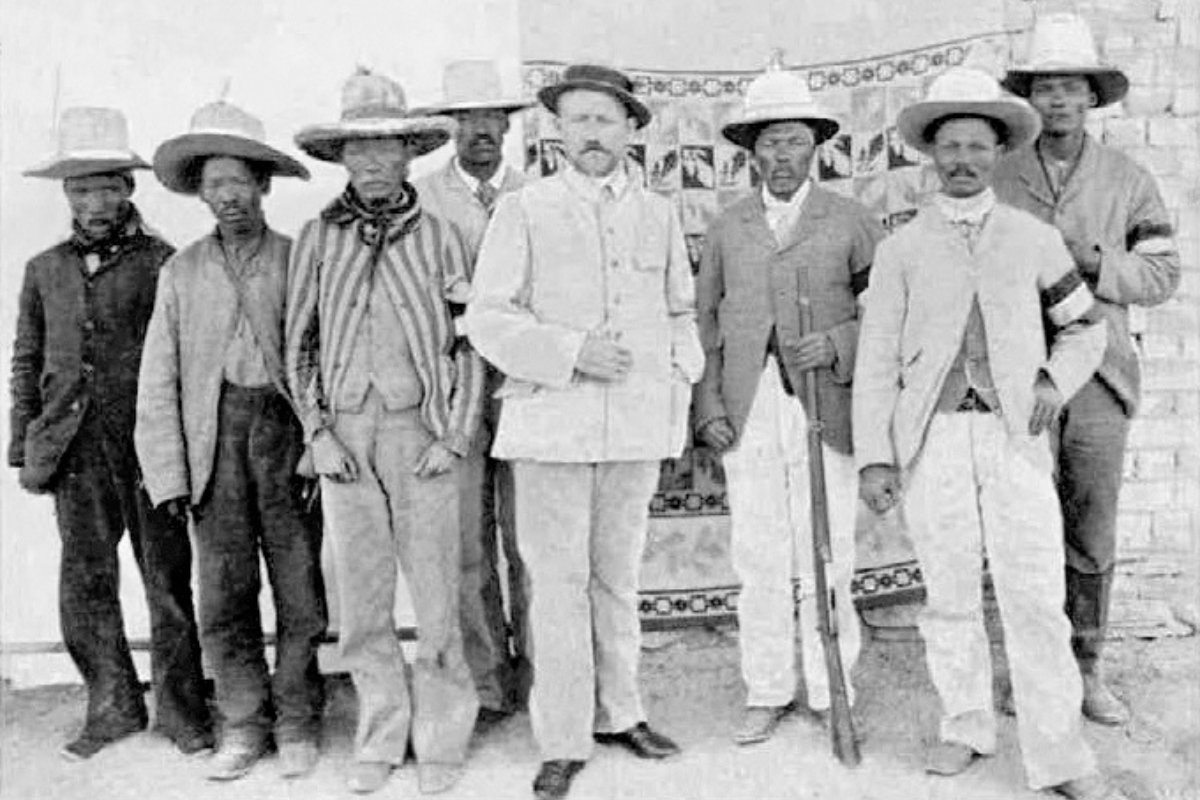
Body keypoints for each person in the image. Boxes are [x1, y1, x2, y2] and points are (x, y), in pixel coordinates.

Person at [854, 66, 1126, 800]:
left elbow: (1087, 333)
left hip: (1012, 440)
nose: (964, 160)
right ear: (931, 157)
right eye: (951, 147)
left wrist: (1049, 383)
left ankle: (1060, 756)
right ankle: (966, 725)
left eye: (978, 146)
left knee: (1034, 593)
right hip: (934, 440)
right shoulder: (901, 249)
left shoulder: (1033, 239)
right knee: (946, 593)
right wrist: (877, 457)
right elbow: (877, 361)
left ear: (997, 154)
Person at [464, 63, 705, 800]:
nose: (591, 135)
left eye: (604, 120)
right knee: (558, 586)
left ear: (632, 129)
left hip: (633, 428)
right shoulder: (527, 209)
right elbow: (488, 317)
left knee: (618, 578)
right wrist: (572, 352)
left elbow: (679, 310)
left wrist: (676, 392)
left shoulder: (658, 212)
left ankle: (621, 711)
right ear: (558, 132)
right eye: (576, 121)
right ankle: (563, 738)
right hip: (553, 428)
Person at [287, 68, 483, 796]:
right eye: (357, 152)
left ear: (409, 155)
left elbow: (469, 345)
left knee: (436, 596)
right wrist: (319, 433)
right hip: (345, 440)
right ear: (342, 159)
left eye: (386, 150)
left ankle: (441, 739)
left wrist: (453, 436)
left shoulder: (441, 237)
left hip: (419, 434)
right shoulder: (317, 238)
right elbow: (298, 343)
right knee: (361, 600)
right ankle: (380, 733)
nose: (371, 165)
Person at [995, 12, 1181, 725]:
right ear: (1031, 97)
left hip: (1100, 375)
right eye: (1046, 88)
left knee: (1091, 526)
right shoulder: (1003, 173)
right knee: (1023, 527)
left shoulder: (1128, 179)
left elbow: (1162, 274)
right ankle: (1026, 668)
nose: (1059, 101)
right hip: (1021, 376)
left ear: (1092, 96)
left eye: (1071, 88)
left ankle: (1087, 667)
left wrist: (1095, 260)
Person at [9, 107, 212, 761]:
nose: (94, 200)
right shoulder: (44, 269)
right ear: (66, 195)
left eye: (105, 185)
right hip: (73, 452)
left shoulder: (166, 263)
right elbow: (26, 358)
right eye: (80, 188)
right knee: (86, 581)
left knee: (166, 579)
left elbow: (189, 366)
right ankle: (112, 703)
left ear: (130, 188)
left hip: (148, 450)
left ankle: (182, 710)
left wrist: (180, 455)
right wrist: (23, 445)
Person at [135, 100, 326, 781]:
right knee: (224, 593)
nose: (228, 195)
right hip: (212, 445)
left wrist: (316, 443)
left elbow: (321, 358)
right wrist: (170, 474)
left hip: (284, 438)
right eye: (214, 184)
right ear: (200, 193)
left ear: (262, 185)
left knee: (301, 591)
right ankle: (244, 723)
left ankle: (300, 717)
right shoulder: (180, 273)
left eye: (239, 181)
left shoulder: (298, 259)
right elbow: (158, 378)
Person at [695, 55, 882, 746]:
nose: (782, 154)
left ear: (815, 145)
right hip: (750, 408)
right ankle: (767, 686)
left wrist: (836, 341)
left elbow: (887, 316)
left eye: (794, 140)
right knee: (759, 552)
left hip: (824, 407)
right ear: (751, 150)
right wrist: (708, 404)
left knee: (828, 552)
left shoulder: (850, 220)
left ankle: (834, 682)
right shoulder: (728, 226)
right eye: (768, 141)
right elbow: (703, 322)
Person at [414, 59, 534, 723]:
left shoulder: (535, 194)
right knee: (464, 543)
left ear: (508, 127)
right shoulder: (423, 198)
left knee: (533, 541)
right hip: (451, 385)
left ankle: (546, 680)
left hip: (522, 386)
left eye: (494, 119)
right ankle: (485, 683)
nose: (482, 131)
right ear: (449, 127)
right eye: (468, 120)